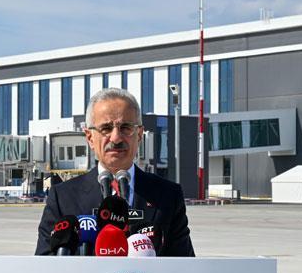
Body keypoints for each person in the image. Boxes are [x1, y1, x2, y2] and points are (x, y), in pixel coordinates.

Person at [35, 88, 194, 256]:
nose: (116, 138)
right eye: (106, 128)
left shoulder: (168, 195)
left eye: (125, 127)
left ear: (139, 135)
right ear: (90, 137)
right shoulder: (62, 198)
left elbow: (185, 265)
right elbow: (44, 264)